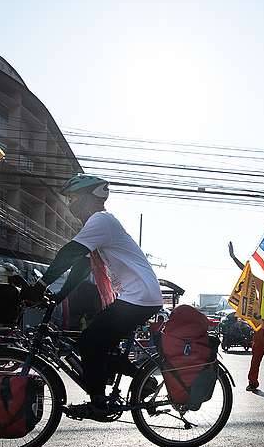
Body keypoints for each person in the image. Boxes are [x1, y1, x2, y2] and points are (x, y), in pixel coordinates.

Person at [21, 174, 163, 421]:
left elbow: (69, 253)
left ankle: (98, 403)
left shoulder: (100, 220)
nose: (71, 205)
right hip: (138, 295)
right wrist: (56, 296)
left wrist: (40, 284)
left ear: (90, 198)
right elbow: (81, 268)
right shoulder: (98, 225)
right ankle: (143, 380)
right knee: (95, 344)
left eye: (74, 199)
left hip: (139, 296)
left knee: (89, 342)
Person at [228, 241, 264, 392]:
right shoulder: (263, 285)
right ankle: (253, 382)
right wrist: (233, 257)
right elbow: (247, 273)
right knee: (256, 357)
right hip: (261, 329)